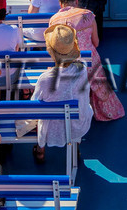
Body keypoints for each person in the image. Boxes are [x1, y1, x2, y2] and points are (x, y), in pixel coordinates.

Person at [28, 23, 92, 167]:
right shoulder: (82, 70)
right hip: (76, 124)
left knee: (41, 115)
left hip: (51, 128)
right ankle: (75, 144)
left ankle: (40, 150)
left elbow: (34, 103)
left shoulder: (45, 79)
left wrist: (51, 72)